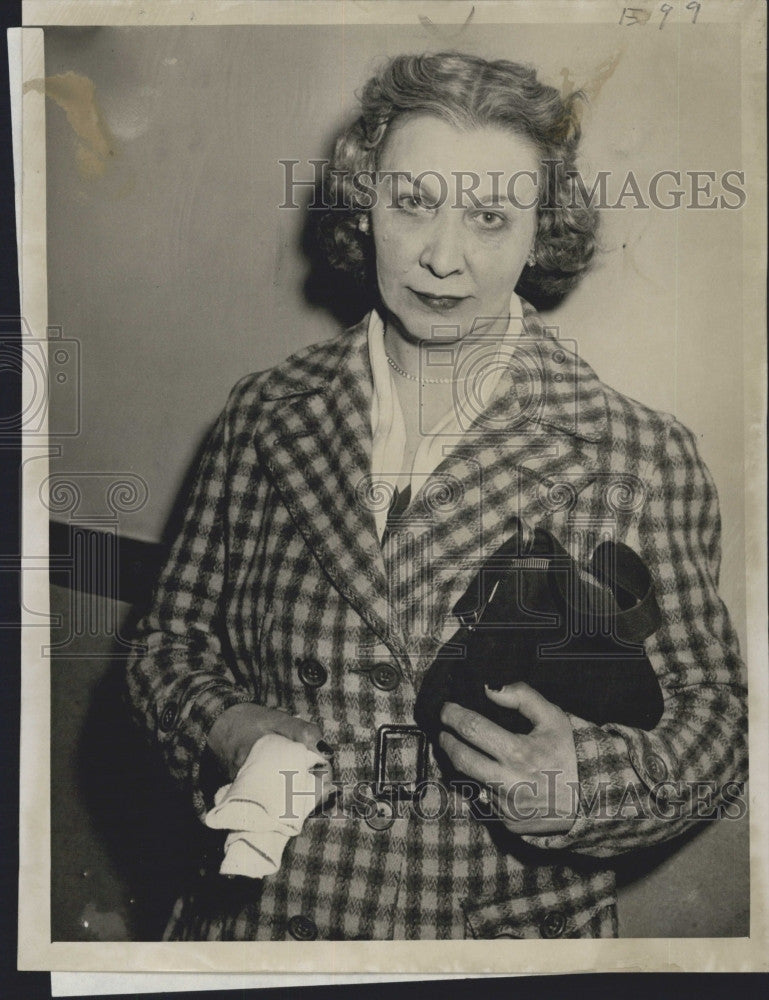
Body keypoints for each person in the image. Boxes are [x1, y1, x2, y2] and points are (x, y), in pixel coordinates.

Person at [126, 51, 747, 940]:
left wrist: (586, 787)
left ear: (540, 232)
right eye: (413, 202)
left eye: (490, 217)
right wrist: (220, 725)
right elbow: (166, 643)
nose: (443, 257)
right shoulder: (264, 414)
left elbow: (715, 719)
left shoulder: (638, 453)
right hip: (263, 929)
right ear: (365, 202)